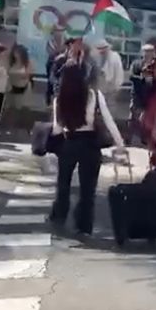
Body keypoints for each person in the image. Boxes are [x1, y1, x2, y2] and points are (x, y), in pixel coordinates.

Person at [49, 62, 125, 235]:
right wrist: (120, 143)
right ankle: (84, 224)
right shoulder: (94, 95)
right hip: (90, 144)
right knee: (88, 189)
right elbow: (108, 120)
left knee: (63, 184)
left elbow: (57, 129)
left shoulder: (60, 98)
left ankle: (59, 215)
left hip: (69, 142)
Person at [127, 44, 156, 145]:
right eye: (146, 52)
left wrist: (153, 79)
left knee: (148, 120)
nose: (147, 54)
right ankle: (131, 139)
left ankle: (145, 140)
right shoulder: (136, 64)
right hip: (137, 95)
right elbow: (131, 76)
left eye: (150, 52)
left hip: (151, 97)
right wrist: (143, 78)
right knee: (133, 118)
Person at [5, 45, 33, 133]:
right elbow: (6, 73)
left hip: (24, 87)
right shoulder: (11, 63)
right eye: (15, 52)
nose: (16, 54)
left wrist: (15, 75)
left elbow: (27, 75)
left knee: (25, 108)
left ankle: (28, 128)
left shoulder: (27, 63)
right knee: (11, 108)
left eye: (18, 52)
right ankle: (10, 128)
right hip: (12, 87)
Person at [45, 29, 66, 106]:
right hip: (51, 63)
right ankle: (49, 97)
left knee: (59, 81)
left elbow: (65, 51)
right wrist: (57, 51)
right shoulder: (50, 42)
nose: (58, 34)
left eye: (60, 33)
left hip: (60, 64)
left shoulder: (65, 41)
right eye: (56, 33)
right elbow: (50, 51)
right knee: (50, 81)